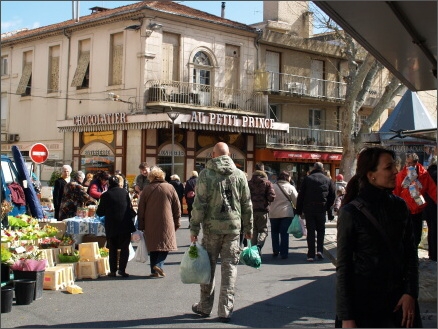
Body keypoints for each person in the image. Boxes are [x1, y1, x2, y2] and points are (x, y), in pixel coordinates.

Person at [336, 147, 421, 328]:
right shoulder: (351, 212)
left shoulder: (400, 206)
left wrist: (410, 293)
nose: (395, 172)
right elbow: (344, 268)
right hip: (364, 307)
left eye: (395, 166)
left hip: (400, 305)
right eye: (389, 167)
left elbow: (410, 254)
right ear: (371, 175)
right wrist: (347, 317)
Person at [190, 142, 253, 323]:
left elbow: (199, 204)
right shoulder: (240, 175)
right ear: (229, 156)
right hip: (233, 229)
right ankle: (225, 309)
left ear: (213, 155)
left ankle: (204, 306)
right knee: (230, 268)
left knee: (207, 268)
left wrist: (194, 228)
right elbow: (247, 204)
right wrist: (249, 228)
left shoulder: (206, 175)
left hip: (211, 229)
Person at [137, 167, 181, 278]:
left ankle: (154, 270)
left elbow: (141, 208)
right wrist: (177, 221)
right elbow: (177, 206)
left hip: (150, 221)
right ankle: (158, 265)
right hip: (167, 221)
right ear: (162, 176)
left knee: (153, 246)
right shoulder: (170, 187)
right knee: (166, 244)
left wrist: (141, 224)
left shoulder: (147, 189)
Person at [393, 152, 437, 249]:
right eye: (407, 163)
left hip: (418, 209)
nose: (408, 165)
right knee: (405, 235)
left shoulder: (424, 174)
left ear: (416, 163)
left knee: (417, 236)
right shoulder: (401, 175)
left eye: (410, 163)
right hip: (405, 209)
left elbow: (432, 189)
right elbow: (396, 191)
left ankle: (413, 256)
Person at [96, 176, 136, 277]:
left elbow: (100, 212)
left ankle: (113, 270)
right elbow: (129, 207)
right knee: (124, 248)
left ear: (109, 184)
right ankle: (122, 270)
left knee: (112, 248)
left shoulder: (105, 195)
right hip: (125, 224)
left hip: (111, 225)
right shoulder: (125, 193)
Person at [295, 162, 335, 262]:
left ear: (314, 168)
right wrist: (328, 209)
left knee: (311, 231)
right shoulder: (328, 180)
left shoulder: (307, 179)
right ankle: (320, 250)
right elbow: (332, 196)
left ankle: (311, 254)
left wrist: (298, 210)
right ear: (323, 169)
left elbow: (301, 196)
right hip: (321, 208)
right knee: (321, 230)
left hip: (309, 209)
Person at [247, 162, 276, 255]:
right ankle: (259, 245)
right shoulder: (267, 183)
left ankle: (254, 251)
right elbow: (272, 197)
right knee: (264, 231)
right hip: (263, 210)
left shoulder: (249, 183)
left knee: (254, 230)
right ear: (263, 170)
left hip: (251, 210)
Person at [269, 171, 297, 259]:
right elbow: (296, 200)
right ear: (287, 177)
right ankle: (284, 253)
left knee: (274, 232)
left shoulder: (272, 187)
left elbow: (269, 198)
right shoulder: (290, 187)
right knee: (284, 233)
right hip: (286, 213)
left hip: (273, 213)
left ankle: (275, 250)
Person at [423, 155, 437, 261]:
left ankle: (432, 253)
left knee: (431, 229)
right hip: (435, 205)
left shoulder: (426, 175)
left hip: (427, 207)